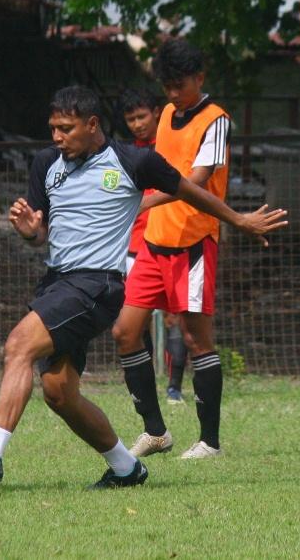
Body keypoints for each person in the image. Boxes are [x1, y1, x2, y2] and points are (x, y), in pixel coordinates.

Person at [0, 85, 286, 489]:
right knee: (59, 393)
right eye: (52, 128)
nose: (56, 137)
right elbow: (41, 232)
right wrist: (31, 232)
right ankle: (126, 468)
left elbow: (190, 191)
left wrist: (239, 220)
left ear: (92, 124)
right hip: (57, 283)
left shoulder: (133, 160)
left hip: (97, 285)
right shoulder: (47, 163)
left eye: (65, 128)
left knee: (19, 344)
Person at [112, 38, 235, 460]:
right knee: (125, 332)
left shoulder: (216, 119)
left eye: (179, 85)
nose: (172, 94)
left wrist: (148, 200)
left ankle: (210, 441)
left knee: (197, 339)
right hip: (154, 242)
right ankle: (156, 432)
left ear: (199, 78)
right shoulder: (165, 114)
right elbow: (157, 168)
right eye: (167, 85)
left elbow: (196, 179)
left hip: (193, 242)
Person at [120, 87, 188, 406]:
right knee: (136, 318)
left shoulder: (168, 149)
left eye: (142, 116)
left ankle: (175, 388)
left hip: (172, 240)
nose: (137, 124)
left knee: (176, 318)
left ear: (157, 113)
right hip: (134, 246)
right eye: (130, 119)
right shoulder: (124, 155)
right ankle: (146, 384)